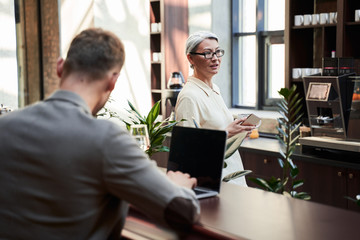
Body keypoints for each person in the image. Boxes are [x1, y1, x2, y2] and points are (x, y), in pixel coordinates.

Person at [0, 28, 199, 239]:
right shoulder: (106, 139)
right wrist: (178, 187)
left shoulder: (5, 126)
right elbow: (183, 212)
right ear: (113, 81)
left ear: (60, 67)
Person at [175, 31, 255, 186]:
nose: (215, 58)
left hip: (232, 174)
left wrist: (238, 133)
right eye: (207, 53)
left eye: (218, 52)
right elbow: (186, 150)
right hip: (212, 179)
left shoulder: (215, 89)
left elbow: (217, 132)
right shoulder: (189, 97)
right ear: (190, 58)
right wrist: (227, 132)